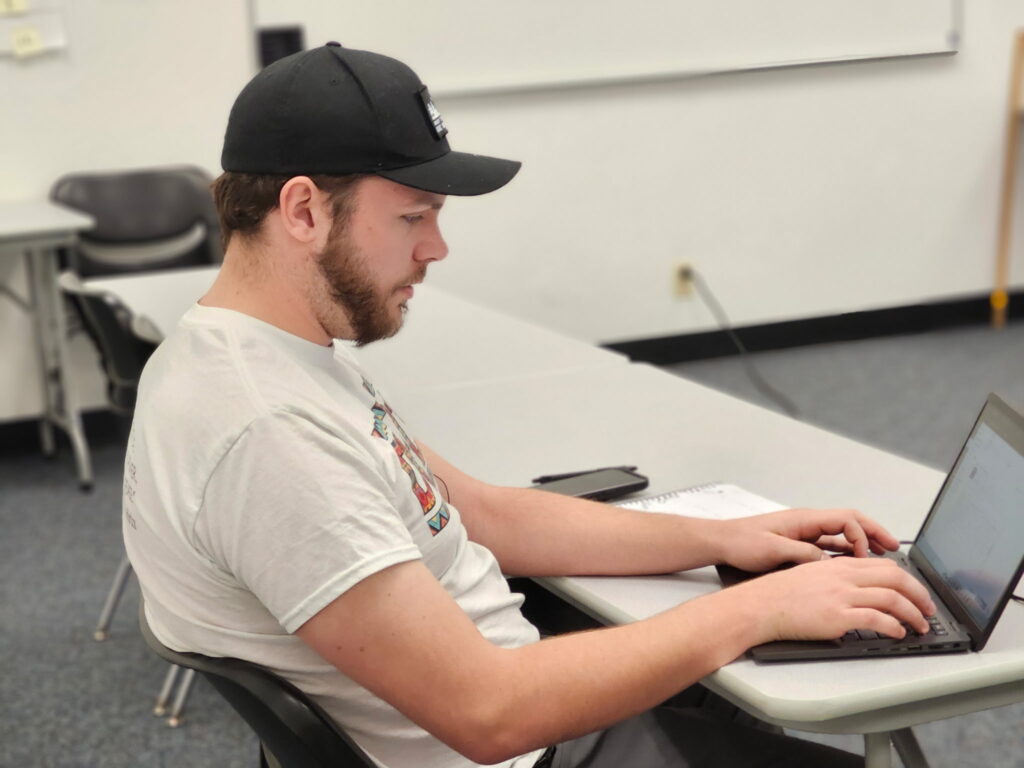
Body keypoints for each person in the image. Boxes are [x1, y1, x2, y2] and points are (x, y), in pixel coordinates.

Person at [124, 43, 936, 768]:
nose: (436, 247)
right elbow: (489, 712)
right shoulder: (267, 430)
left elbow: (478, 513)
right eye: (412, 216)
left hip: (519, 699)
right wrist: (760, 609)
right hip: (524, 741)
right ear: (303, 211)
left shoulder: (275, 357)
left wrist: (725, 539)